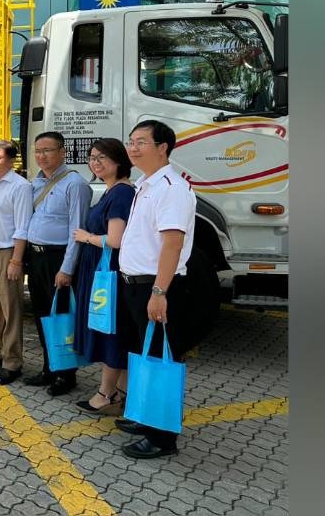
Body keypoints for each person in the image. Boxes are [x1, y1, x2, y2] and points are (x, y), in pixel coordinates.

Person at [114, 120, 196, 459]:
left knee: (162, 358)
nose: (133, 148)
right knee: (145, 355)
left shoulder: (171, 187)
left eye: (141, 142)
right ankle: (147, 419)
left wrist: (159, 292)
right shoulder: (146, 184)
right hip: (136, 285)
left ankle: (162, 439)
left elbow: (172, 245)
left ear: (163, 147)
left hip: (155, 287)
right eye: (131, 142)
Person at [70, 139, 136, 415]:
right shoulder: (113, 190)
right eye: (92, 157)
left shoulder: (121, 193)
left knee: (111, 333)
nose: (95, 163)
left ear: (118, 160)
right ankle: (121, 393)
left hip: (107, 274)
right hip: (101, 271)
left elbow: (116, 239)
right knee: (113, 332)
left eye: (102, 158)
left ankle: (104, 394)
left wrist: (86, 237)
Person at [25, 131, 92, 396]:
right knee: (42, 316)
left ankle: (66, 375)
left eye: (48, 150)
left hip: (58, 259)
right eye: (37, 151)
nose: (41, 156)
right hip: (37, 258)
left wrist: (67, 268)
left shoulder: (75, 184)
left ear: (62, 152)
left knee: (62, 318)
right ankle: (49, 367)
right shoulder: (35, 183)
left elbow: (77, 229)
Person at [0, 140, 32, 385]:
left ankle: (13, 363)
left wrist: (16, 260)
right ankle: (2, 351)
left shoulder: (19, 187)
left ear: (11, 160)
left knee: (11, 310)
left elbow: (22, 227)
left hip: (6, 253)